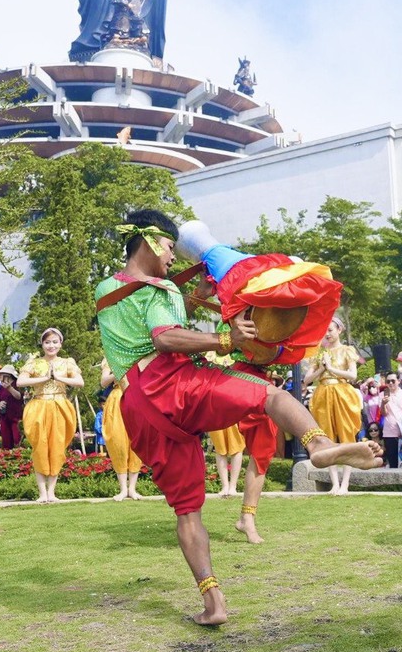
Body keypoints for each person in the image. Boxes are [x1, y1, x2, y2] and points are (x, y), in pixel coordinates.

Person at [95, 209, 382, 626]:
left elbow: (155, 317)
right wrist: (225, 338)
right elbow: (164, 337)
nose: (173, 258)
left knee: (187, 512)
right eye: (171, 248)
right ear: (153, 242)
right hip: (171, 383)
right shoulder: (157, 292)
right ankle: (319, 446)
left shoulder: (112, 288)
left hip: (139, 410)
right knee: (268, 395)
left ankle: (214, 604)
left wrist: (198, 294)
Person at [17, 328, 84, 502]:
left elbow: (79, 382)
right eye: (47, 342)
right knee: (40, 447)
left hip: (60, 406)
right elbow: (20, 381)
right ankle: (42, 493)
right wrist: (44, 378)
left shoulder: (67, 362)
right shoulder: (34, 362)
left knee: (57, 446)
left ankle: (52, 492)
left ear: (60, 344)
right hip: (38, 406)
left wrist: (58, 378)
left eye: (55, 342)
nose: (51, 345)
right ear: (42, 344)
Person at [305, 316, 363, 495]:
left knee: (346, 436)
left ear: (339, 330)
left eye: (330, 330)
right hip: (323, 393)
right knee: (326, 437)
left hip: (342, 392)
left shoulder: (347, 350)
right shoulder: (319, 353)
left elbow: (352, 375)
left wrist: (331, 369)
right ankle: (334, 484)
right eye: (325, 331)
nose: (327, 334)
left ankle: (345, 484)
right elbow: (306, 380)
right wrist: (322, 368)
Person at [99, 362, 143, 500]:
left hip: (138, 396)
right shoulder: (111, 357)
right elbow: (104, 382)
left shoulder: (140, 353)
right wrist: (118, 369)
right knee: (118, 441)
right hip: (117, 397)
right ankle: (123, 489)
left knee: (137, 441)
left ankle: (133, 489)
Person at [378, 373, 402, 468]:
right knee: (392, 459)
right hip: (389, 432)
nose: (391, 383)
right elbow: (384, 413)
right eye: (388, 381)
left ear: (398, 381)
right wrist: (383, 403)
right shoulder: (382, 395)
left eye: (393, 381)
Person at [0, 366, 25, 451]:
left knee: (17, 438)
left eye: (3, 374)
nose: (1, 377)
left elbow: (19, 396)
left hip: (16, 416)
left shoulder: (17, 384)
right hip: (4, 417)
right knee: (6, 440)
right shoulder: (1, 387)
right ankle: (7, 457)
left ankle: (19, 456)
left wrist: (9, 388)